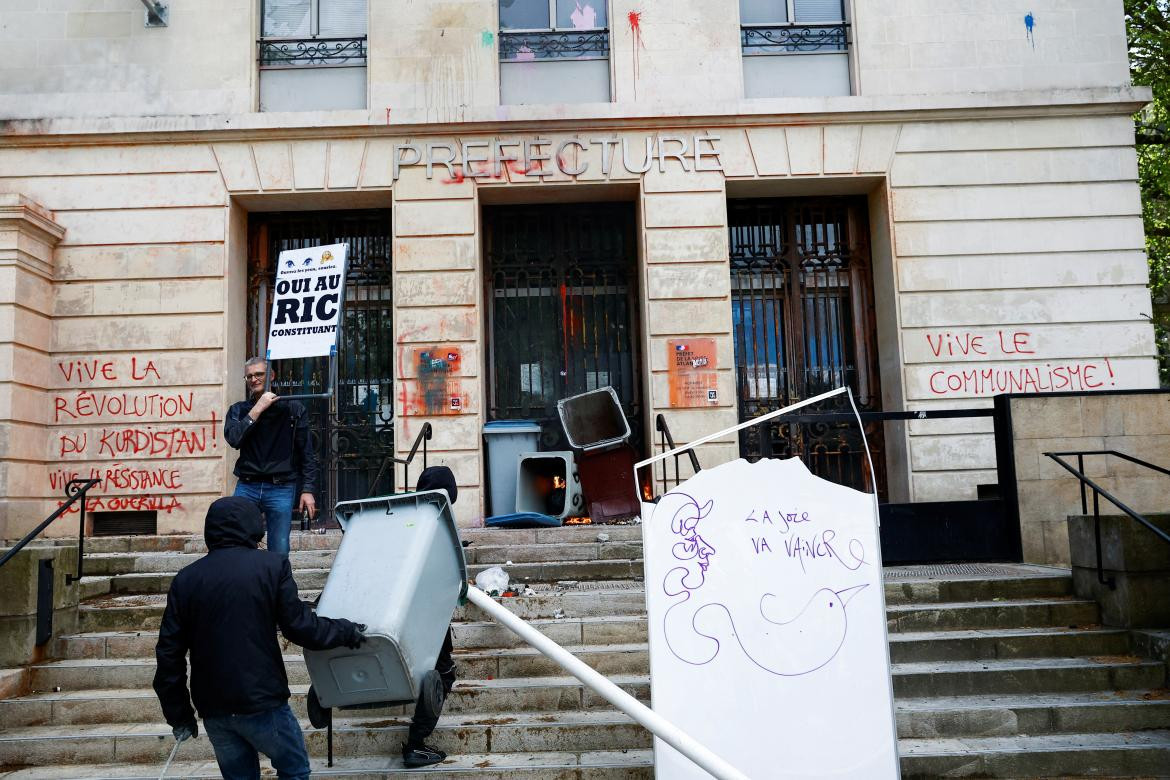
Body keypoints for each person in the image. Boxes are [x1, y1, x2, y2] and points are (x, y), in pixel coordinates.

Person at [153, 496, 366, 780]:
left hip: (214, 708)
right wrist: (346, 631)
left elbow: (169, 655)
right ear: (254, 527)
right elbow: (301, 627)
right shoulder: (272, 566)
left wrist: (178, 714)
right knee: (294, 771)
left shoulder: (186, 579)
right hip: (262, 701)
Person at [224, 357, 318, 556]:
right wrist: (258, 409)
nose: (254, 379)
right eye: (249, 376)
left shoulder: (292, 409)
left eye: (259, 374)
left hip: (281, 487)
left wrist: (307, 489)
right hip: (247, 486)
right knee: (236, 543)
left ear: (271, 376)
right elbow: (234, 439)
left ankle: (278, 586)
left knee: (280, 549)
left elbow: (306, 453)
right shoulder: (238, 410)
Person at [399, 465, 461, 768]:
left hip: (396, 611)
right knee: (443, 672)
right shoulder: (438, 523)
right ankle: (416, 744)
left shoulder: (401, 518)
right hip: (428, 614)